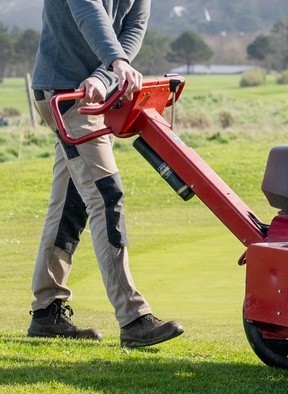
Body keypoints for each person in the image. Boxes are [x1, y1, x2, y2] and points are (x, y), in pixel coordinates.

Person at [28, 0, 183, 347]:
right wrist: (115, 63)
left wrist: (106, 72)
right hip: (64, 93)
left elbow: (133, 29)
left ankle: (46, 311)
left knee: (72, 202)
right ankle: (133, 318)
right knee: (105, 196)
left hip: (93, 92)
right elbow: (89, 12)